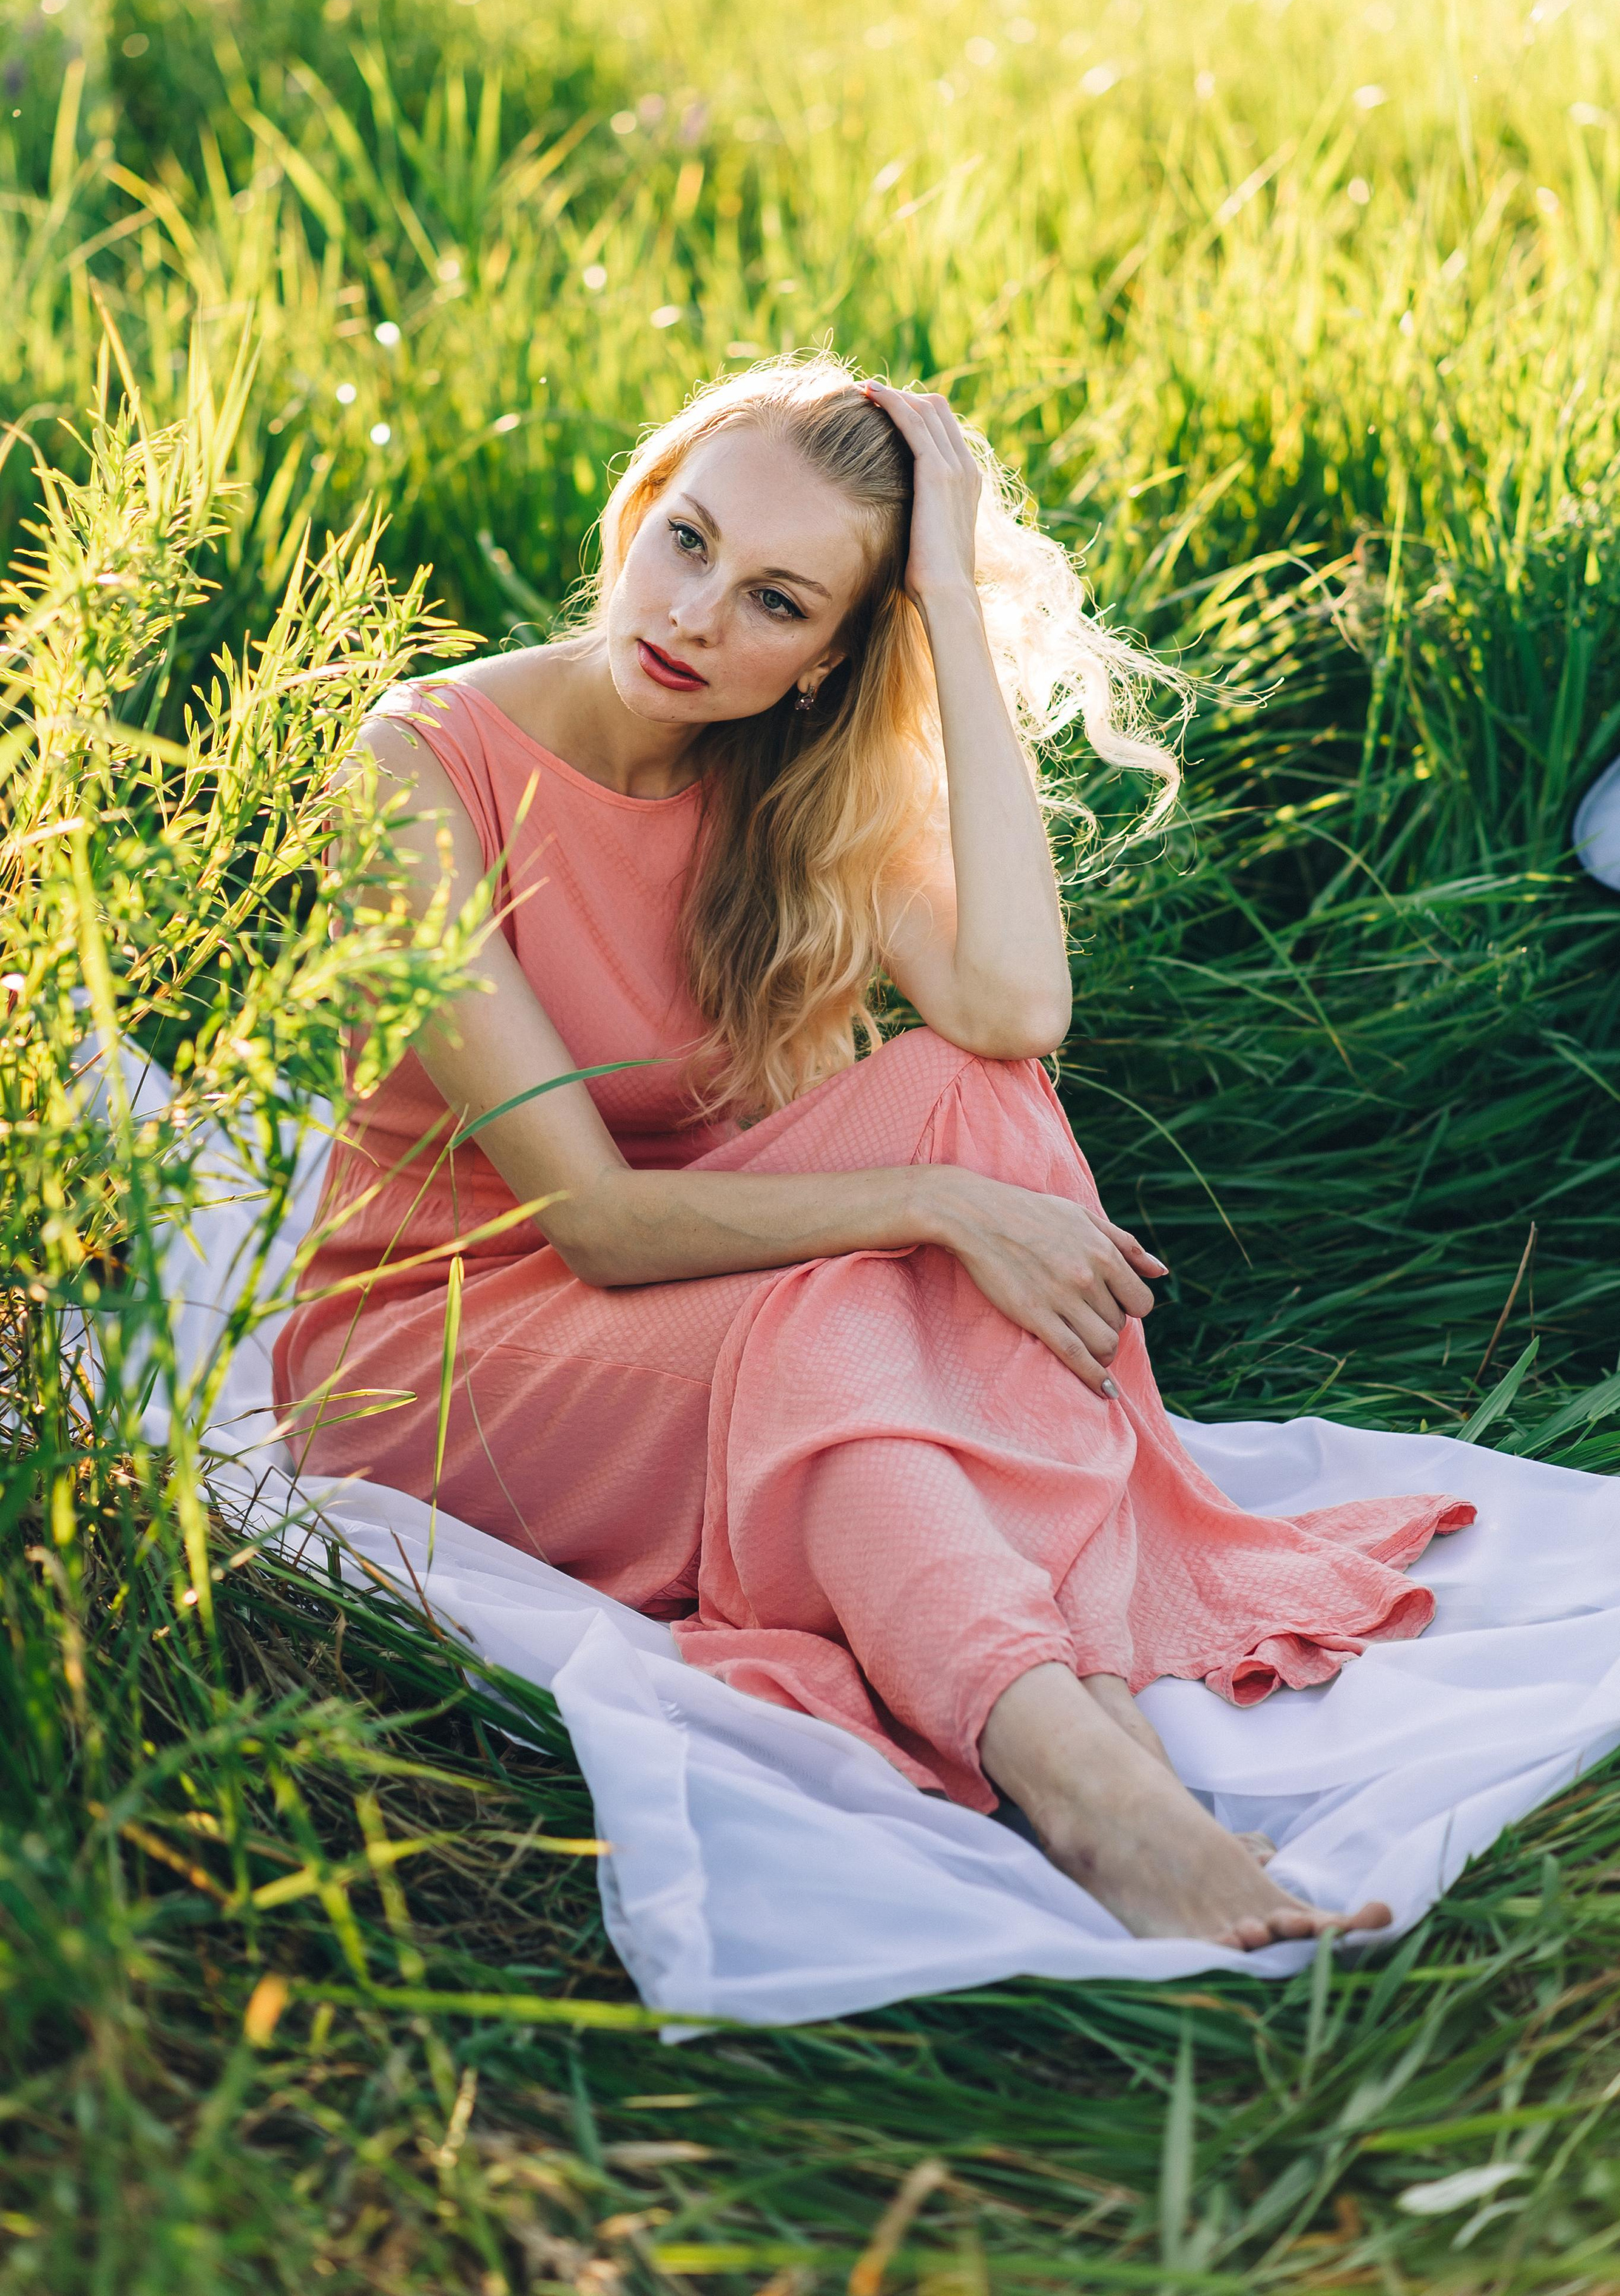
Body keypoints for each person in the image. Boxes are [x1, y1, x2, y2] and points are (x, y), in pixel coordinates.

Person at [274, 353, 1473, 1948]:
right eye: (688, 540)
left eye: (776, 603)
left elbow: (1012, 1010)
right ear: (639, 508)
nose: (694, 617)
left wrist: (949, 615)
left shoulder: (791, 773)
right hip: (432, 1345)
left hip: (691, 1290)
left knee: (971, 1092)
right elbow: (597, 1223)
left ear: (832, 656)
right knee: (850, 1298)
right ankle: (1086, 1787)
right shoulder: (418, 760)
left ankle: (1075, 1698)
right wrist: (929, 1206)